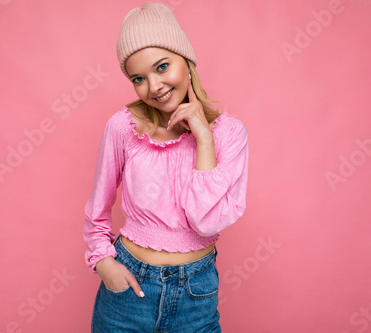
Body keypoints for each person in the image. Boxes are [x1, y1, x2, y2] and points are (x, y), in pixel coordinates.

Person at [83, 2, 249, 332]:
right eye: (139, 78)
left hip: (196, 294)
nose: (154, 86)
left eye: (162, 67)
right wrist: (103, 262)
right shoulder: (122, 128)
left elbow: (207, 221)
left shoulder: (230, 134)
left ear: (186, 62)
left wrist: (203, 138)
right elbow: (97, 208)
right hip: (129, 290)